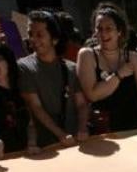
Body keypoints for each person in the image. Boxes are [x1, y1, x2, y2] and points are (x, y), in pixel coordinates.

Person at [77, 5, 137, 133]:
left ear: (119, 31)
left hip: (134, 128)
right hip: (103, 133)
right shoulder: (86, 55)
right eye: (99, 28)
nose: (103, 33)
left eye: (109, 28)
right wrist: (119, 75)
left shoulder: (134, 58)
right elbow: (93, 95)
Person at [18, 10, 87, 147]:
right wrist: (61, 134)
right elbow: (35, 107)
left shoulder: (72, 68)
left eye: (39, 35)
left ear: (54, 39)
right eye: (30, 34)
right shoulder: (24, 67)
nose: (33, 39)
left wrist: (82, 128)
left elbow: (81, 104)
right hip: (46, 146)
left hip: (77, 142)